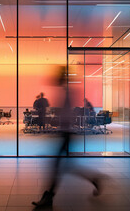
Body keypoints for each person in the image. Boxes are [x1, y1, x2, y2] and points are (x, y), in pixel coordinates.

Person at [32, 66, 102, 208]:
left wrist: (59, 127)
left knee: (58, 166)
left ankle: (49, 197)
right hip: (65, 133)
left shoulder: (68, 91)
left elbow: (68, 115)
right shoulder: (65, 90)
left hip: (66, 134)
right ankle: (94, 180)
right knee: (66, 166)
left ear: (62, 77)